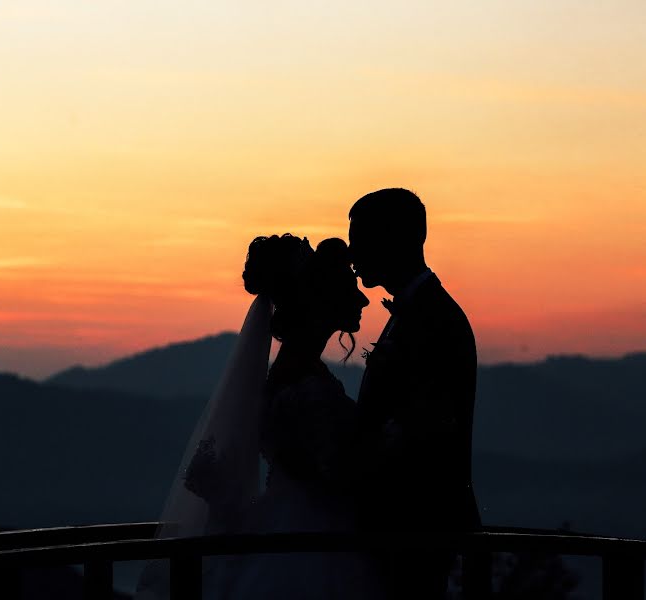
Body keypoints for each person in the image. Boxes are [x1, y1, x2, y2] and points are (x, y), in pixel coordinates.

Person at [136, 234, 384, 600]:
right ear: (319, 298)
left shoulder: (298, 370)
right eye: (348, 287)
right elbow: (336, 476)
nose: (363, 298)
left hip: (297, 536)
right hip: (311, 550)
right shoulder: (302, 382)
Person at [349, 188, 481, 599]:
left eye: (360, 240)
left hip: (414, 528)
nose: (353, 256)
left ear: (394, 239)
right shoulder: (417, 313)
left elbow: (426, 431)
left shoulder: (434, 318)